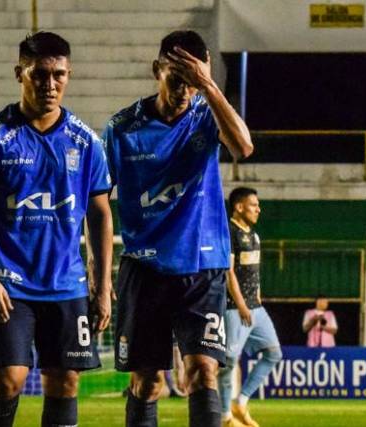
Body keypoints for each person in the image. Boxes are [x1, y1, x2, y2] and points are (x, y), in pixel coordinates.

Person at [0, 32, 114, 427]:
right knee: (7, 380)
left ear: (68, 75)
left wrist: (103, 285)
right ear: (20, 74)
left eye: (59, 75)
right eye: (39, 74)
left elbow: (99, 215)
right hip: (9, 284)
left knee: (65, 381)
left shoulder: (86, 142)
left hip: (67, 284)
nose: (50, 84)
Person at [104, 29, 253, 427]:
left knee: (204, 371)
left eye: (193, 81)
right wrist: (97, 272)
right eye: (177, 78)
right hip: (145, 269)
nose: (185, 90)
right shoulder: (122, 129)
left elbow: (243, 147)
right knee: (148, 381)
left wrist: (209, 85)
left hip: (203, 269)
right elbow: (97, 204)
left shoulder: (207, 115)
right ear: (157, 70)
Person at [218, 187, 282, 427]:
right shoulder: (230, 233)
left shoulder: (254, 235)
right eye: (254, 205)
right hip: (235, 307)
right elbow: (228, 272)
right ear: (239, 207)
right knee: (230, 359)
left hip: (255, 307)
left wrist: (256, 296)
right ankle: (225, 415)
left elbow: (254, 271)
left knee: (274, 353)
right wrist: (243, 305)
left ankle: (241, 402)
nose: (258, 209)